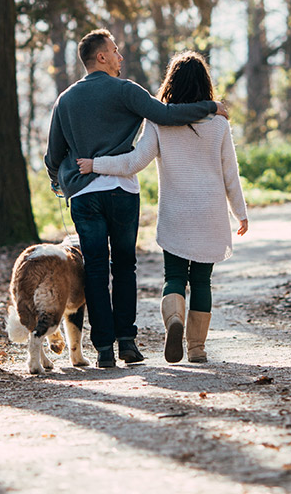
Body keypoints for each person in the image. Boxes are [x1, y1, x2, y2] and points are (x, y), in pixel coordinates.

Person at [44, 30, 228, 369]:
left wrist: (61, 183)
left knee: (96, 271)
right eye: (115, 51)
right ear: (101, 56)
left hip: (84, 195)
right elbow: (168, 116)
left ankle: (103, 351)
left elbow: (53, 156)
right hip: (121, 193)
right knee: (124, 267)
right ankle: (127, 343)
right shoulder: (127, 90)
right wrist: (211, 107)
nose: (119, 57)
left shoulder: (65, 100)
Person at [77, 50, 248, 364]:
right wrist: (241, 212)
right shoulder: (219, 125)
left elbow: (134, 162)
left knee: (174, 276)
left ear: (171, 84)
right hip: (210, 213)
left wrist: (95, 164)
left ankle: (174, 321)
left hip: (176, 212)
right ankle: (196, 348)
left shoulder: (158, 122)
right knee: (201, 281)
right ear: (205, 85)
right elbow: (230, 174)